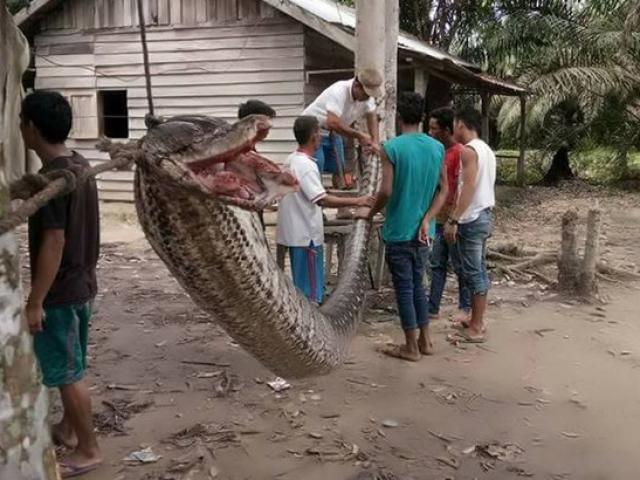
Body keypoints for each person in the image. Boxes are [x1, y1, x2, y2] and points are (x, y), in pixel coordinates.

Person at [20, 91, 102, 478]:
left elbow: (55, 241)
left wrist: (36, 300)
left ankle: (89, 449)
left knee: (69, 375)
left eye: (22, 122)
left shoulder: (54, 180)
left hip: (62, 291)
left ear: (31, 128)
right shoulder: (80, 166)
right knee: (74, 363)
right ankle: (69, 431)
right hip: (83, 284)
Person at [363, 92, 448, 361]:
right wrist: (427, 218)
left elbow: (386, 190)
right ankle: (426, 340)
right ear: (423, 118)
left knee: (404, 288)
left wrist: (371, 211)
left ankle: (410, 346)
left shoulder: (392, 148)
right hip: (424, 231)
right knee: (418, 286)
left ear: (399, 117)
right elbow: (443, 189)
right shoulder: (437, 147)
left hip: (399, 229)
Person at [276, 116, 373, 303]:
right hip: (306, 235)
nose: (321, 137)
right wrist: (358, 200)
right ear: (314, 136)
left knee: (302, 285)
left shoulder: (290, 160)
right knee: (310, 292)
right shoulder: (306, 165)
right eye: (319, 133)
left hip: (294, 233)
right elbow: (322, 200)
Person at [445, 107, 496, 343]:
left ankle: (477, 324)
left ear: (461, 125)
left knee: (474, 272)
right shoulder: (486, 150)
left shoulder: (468, 151)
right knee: (476, 269)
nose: (452, 129)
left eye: (454, 124)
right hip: (483, 214)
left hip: (472, 217)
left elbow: (469, 187)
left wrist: (454, 218)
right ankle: (475, 318)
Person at [426, 107, 472, 323]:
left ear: (446, 130)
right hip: (438, 216)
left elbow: (461, 188)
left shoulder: (460, 152)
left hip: (454, 219)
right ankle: (432, 307)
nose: (430, 132)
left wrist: (453, 219)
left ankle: (465, 306)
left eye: (434, 128)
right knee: (437, 263)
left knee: (459, 265)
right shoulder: (436, 151)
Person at [302, 68, 382, 187]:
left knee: (339, 167)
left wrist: (375, 141)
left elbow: (372, 116)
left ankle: (340, 196)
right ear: (356, 85)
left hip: (333, 132)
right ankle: (315, 198)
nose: (367, 98)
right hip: (311, 130)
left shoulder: (367, 98)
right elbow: (332, 122)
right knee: (317, 164)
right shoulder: (339, 90)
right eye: (365, 94)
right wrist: (359, 135)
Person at [237, 99, 276, 232]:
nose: (270, 126)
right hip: (244, 220)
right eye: (267, 121)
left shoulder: (249, 148)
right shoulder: (239, 151)